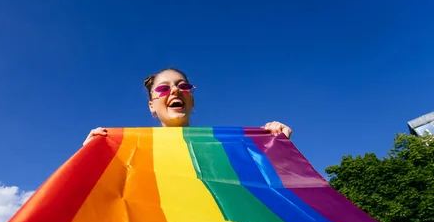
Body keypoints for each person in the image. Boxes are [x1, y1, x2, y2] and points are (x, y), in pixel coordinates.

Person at [83, 67, 292, 145]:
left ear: (191, 100)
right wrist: (92, 154)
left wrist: (273, 143)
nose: (175, 91)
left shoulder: (220, 147)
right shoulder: (132, 150)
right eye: (163, 89)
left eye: (183, 86)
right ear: (151, 106)